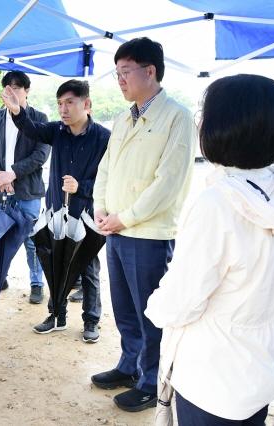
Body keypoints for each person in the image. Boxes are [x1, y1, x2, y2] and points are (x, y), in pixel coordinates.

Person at [145, 74, 274, 425]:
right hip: (261, 362)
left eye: (204, 114)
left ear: (224, 127)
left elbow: (180, 302)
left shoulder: (216, 203)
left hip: (213, 373)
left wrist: (154, 306)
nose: (199, 122)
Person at [91, 37, 196, 411]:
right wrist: (101, 209)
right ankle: (129, 365)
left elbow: (168, 183)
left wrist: (125, 217)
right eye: (116, 73)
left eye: (125, 72)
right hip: (116, 230)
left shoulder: (177, 117)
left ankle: (151, 381)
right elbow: (106, 168)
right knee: (124, 307)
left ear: (150, 71)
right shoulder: (123, 117)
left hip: (148, 234)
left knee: (150, 312)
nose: (119, 80)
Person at [1, 79, 110, 343]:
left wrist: (81, 187)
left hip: (86, 212)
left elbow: (111, 179)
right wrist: (17, 111)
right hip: (55, 212)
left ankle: (91, 321)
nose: (63, 109)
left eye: (69, 102)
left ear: (87, 104)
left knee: (87, 268)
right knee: (54, 264)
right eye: (60, 103)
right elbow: (32, 129)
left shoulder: (104, 138)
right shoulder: (57, 131)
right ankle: (56, 315)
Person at [0, 71, 51, 304]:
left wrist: (13, 173)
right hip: (0, 189)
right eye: (8, 88)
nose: (12, 92)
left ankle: (36, 283)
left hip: (28, 191)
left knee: (32, 239)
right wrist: (1, 176)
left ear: (27, 91)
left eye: (17, 88)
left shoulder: (39, 118)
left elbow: (41, 155)